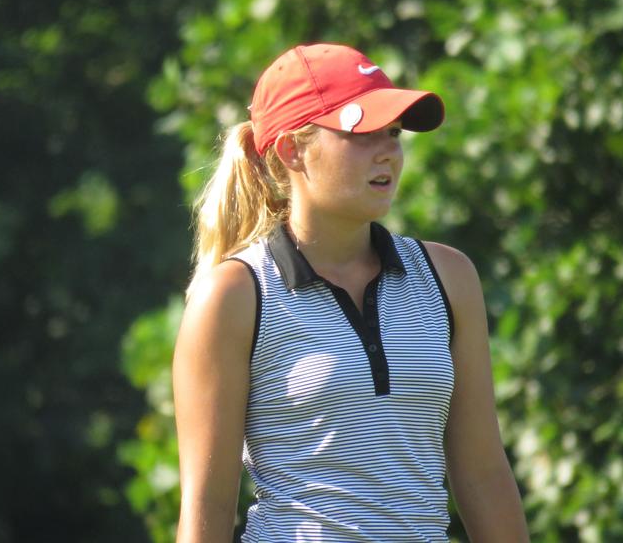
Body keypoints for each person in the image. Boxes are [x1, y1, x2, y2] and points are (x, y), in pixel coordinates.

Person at [172, 42, 530, 542]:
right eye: (361, 133)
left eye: (393, 133)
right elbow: (206, 505)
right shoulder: (234, 295)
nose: (388, 152)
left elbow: (484, 475)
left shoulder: (448, 276)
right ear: (292, 151)